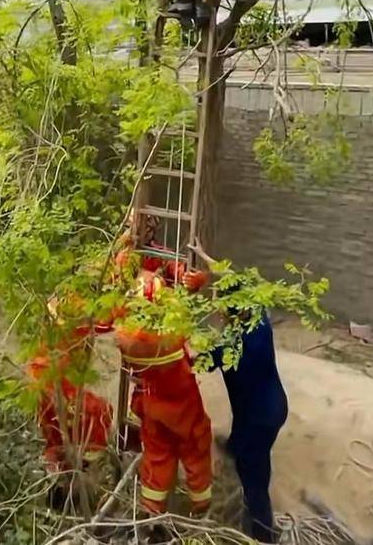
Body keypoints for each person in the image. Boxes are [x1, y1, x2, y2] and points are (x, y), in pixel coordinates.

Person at [112, 215, 213, 526]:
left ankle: (151, 514)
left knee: (155, 441)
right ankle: (201, 508)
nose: (137, 230)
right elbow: (180, 307)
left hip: (145, 378)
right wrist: (196, 285)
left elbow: (181, 275)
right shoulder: (126, 260)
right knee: (194, 440)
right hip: (169, 372)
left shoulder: (146, 255)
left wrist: (193, 278)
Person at [26, 300, 113, 510]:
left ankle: (57, 485)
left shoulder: (57, 308)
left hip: (44, 381)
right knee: (98, 414)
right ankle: (82, 481)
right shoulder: (74, 308)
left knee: (54, 435)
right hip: (56, 383)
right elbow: (102, 322)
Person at [210, 310, 288, 543]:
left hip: (261, 418)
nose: (220, 312)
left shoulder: (236, 348)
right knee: (242, 428)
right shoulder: (259, 322)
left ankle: (263, 531)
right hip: (266, 404)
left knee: (254, 473)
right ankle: (235, 446)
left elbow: (206, 361)